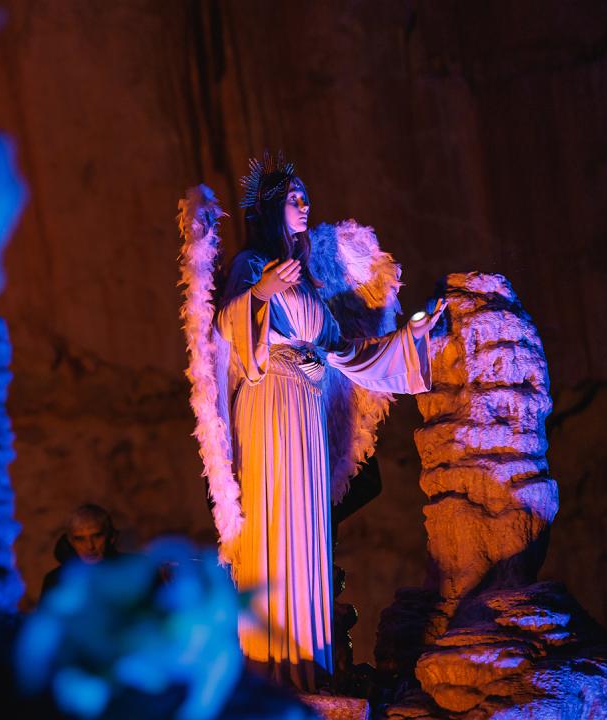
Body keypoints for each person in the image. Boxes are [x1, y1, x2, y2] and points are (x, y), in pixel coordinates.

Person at [208, 156, 444, 692]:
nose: (305, 205)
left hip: (307, 413)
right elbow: (226, 332)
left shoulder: (311, 288)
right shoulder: (252, 265)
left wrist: (411, 338)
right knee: (275, 522)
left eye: (306, 196)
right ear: (271, 208)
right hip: (268, 406)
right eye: (294, 197)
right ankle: (269, 669)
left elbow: (344, 354)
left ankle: (310, 665)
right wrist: (261, 293)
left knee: (308, 526)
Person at [40, 504, 120, 599]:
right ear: (71, 542)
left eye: (97, 536)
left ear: (111, 537)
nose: (90, 546)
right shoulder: (55, 581)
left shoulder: (133, 572)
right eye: (80, 539)